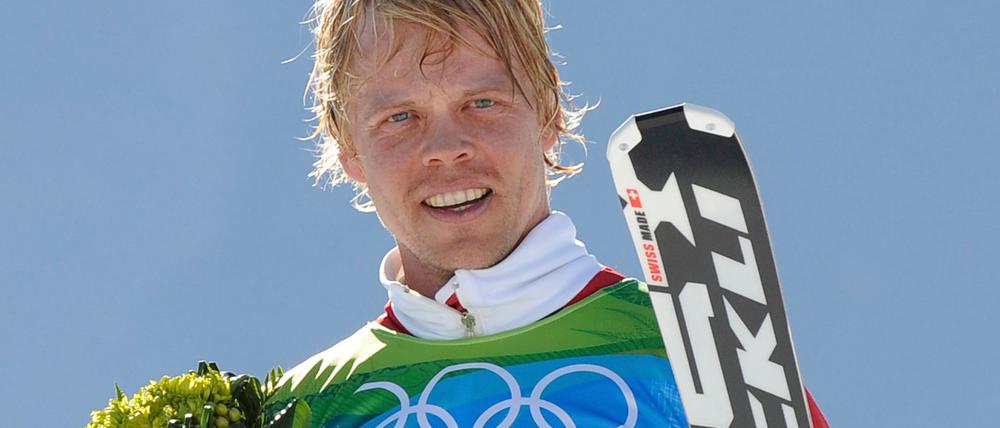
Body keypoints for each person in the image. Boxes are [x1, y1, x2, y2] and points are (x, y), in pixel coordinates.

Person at [265, 1, 830, 427]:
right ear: (348, 150)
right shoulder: (302, 406)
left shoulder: (698, 354)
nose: (446, 146)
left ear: (549, 112)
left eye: (482, 103)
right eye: (399, 117)